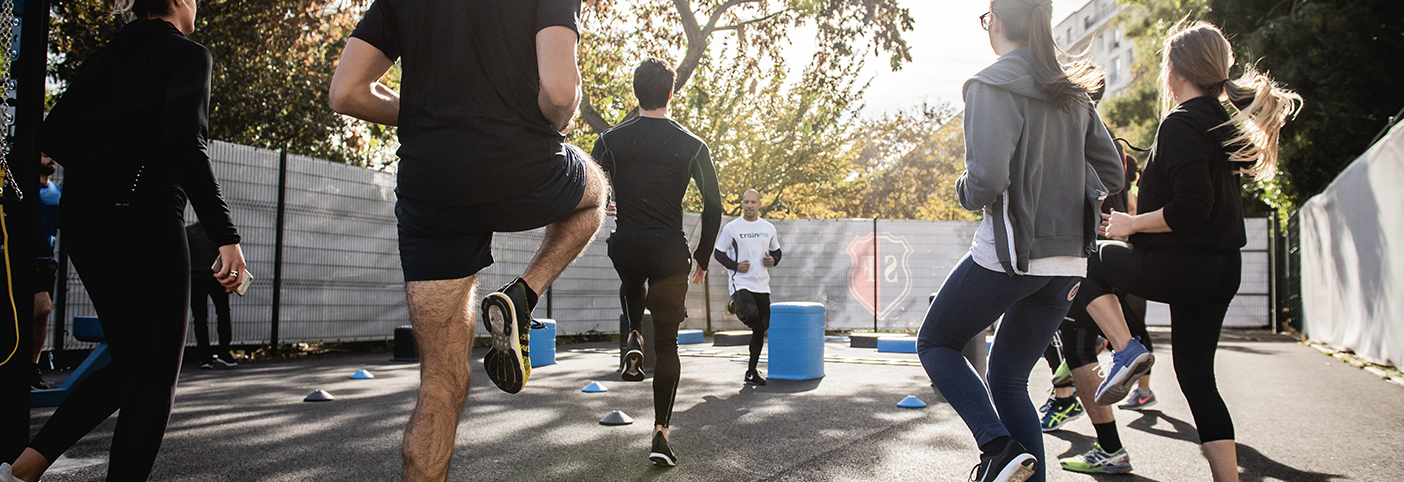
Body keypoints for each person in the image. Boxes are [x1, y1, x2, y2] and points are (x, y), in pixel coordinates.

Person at [328, 0, 606, 480]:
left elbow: (347, 92)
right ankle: (524, 294)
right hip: (519, 166)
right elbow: (561, 94)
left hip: (431, 187)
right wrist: (546, 122)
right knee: (596, 193)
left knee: (438, 383)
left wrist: (425, 115)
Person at [4, 0, 249, 480]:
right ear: (179, 1)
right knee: (155, 379)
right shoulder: (187, 54)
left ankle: (21, 471)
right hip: (147, 218)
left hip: (86, 223)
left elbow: (52, 135)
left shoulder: (103, 57)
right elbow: (186, 144)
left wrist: (109, 155)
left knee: (132, 363)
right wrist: (226, 237)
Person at [1078, 20, 1301, 482]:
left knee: (1082, 261)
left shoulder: (1181, 123)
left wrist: (1128, 224)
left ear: (1174, 70)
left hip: (1183, 266)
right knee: (1197, 379)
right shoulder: (1221, 122)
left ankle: (1126, 350)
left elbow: (1191, 209)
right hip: (1221, 269)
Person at [913, 1, 1124, 481]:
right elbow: (1111, 171)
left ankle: (996, 445)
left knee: (936, 342)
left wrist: (962, 188)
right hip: (1070, 262)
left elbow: (985, 180)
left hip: (1012, 256)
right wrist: (1069, 192)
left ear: (999, 23)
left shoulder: (989, 84)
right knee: (1008, 380)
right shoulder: (1072, 93)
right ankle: (1013, 459)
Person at [593, 58, 723, 466]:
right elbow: (715, 206)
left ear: (636, 92)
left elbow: (590, 186)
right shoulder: (693, 144)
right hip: (670, 251)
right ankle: (661, 434)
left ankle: (633, 333)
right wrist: (702, 256)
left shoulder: (610, 139)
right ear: (671, 92)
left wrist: (609, 200)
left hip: (628, 244)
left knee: (631, 279)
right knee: (667, 344)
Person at [713, 189, 781, 386]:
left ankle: (751, 372)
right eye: (746, 202)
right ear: (742, 204)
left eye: (753, 202)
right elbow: (718, 253)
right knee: (751, 316)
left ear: (759, 204)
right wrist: (735, 266)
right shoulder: (732, 228)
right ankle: (737, 304)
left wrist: (773, 260)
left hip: (762, 284)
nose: (749, 205)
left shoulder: (768, 228)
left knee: (761, 327)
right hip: (740, 282)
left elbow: (777, 251)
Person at [29, 153, 61, 390]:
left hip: (47, 261)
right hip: (24, 260)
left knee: (42, 317)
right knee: (42, 306)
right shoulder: (22, 189)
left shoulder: (57, 192)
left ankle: (32, 367)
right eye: (44, 154)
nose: (50, 159)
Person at [187, 222, 236, 369]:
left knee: (200, 319)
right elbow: (229, 258)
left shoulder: (189, 232)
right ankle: (224, 352)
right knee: (223, 314)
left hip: (197, 279)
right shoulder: (219, 232)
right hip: (217, 279)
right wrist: (232, 277)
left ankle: (206, 357)